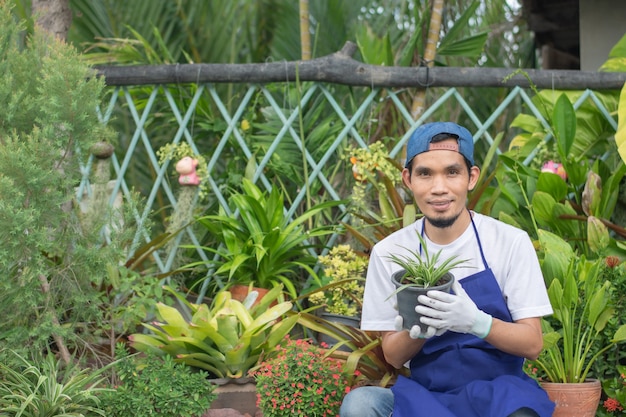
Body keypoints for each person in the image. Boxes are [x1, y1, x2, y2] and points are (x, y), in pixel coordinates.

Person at [339, 122, 555, 417]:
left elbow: (533, 343)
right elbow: (392, 356)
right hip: (428, 396)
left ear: (471, 177)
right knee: (360, 405)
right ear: (408, 179)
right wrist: (423, 328)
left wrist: (477, 322)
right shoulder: (390, 253)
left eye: (452, 172)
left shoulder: (509, 243)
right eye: (425, 174)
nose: (439, 188)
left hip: (500, 393)